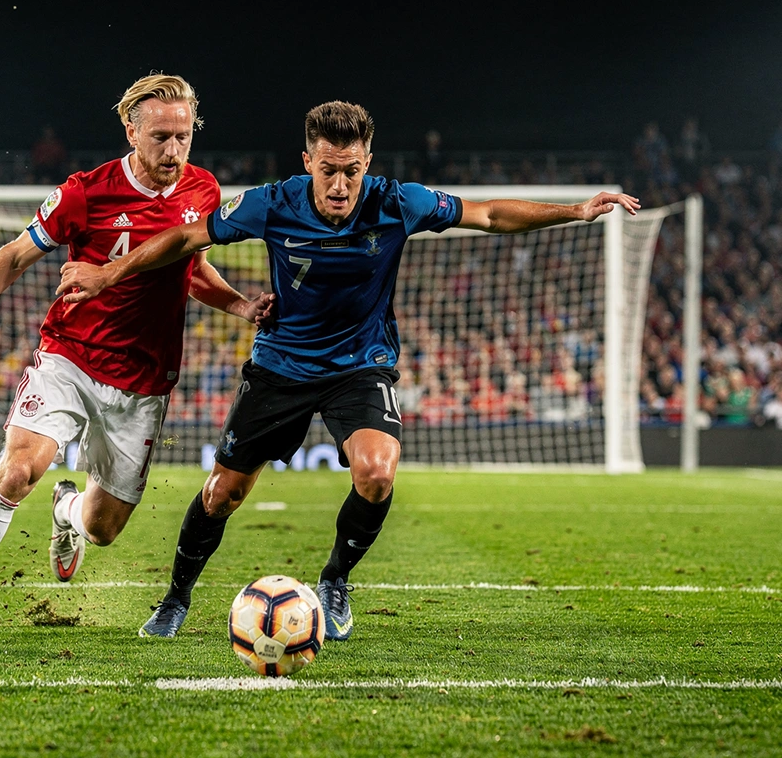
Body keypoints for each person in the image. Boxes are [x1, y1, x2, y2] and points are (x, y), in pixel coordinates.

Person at [58, 101, 640, 640]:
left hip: (361, 366)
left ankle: (335, 580)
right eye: (329, 169)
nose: (340, 185)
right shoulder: (272, 203)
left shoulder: (395, 202)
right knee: (223, 493)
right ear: (308, 160)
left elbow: (487, 213)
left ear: (368, 162)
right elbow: (186, 237)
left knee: (378, 473)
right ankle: (176, 597)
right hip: (281, 365)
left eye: (352, 171)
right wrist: (108, 274)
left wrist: (577, 211)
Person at [0, 74, 274, 644]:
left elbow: (191, 270)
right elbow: (15, 254)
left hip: (145, 381)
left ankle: (67, 510)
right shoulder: (85, 192)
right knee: (21, 468)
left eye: (184, 136)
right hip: (68, 358)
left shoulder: (203, 191)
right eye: (161, 136)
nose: (173, 149)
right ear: (131, 130)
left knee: (102, 529)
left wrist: (241, 305)